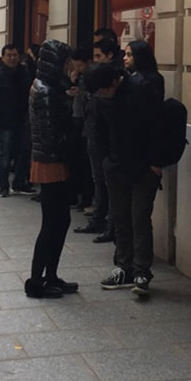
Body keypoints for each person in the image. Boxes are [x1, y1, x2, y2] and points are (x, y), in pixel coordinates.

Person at [87, 60, 164, 297]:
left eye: (104, 90)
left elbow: (158, 128)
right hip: (116, 166)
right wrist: (105, 163)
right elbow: (97, 132)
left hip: (144, 167)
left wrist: (155, 164)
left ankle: (142, 271)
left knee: (139, 217)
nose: (102, 95)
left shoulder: (141, 90)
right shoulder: (101, 99)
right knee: (120, 217)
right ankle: (124, 267)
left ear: (114, 81)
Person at [25, 39, 80, 299]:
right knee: (52, 223)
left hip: (51, 158)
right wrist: (73, 141)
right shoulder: (46, 91)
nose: (70, 65)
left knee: (59, 221)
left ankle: (50, 277)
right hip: (50, 161)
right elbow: (51, 134)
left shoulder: (48, 86)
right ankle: (37, 281)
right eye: (66, 60)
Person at [74, 34, 121, 240]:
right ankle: (100, 219)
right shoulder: (96, 75)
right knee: (99, 180)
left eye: (98, 55)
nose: (95, 59)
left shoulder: (112, 77)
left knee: (105, 181)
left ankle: (108, 224)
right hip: (93, 132)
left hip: (104, 137)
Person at [0, 44, 32, 196]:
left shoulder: (24, 73)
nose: (12, 58)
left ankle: (19, 182)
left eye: (15, 55)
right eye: (9, 56)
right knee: (5, 153)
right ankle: (3, 186)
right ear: (3, 57)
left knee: (24, 152)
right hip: (4, 121)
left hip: (22, 120)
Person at [68, 46, 94, 210]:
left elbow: (92, 97)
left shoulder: (93, 77)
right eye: (74, 65)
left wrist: (81, 92)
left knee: (86, 163)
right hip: (76, 118)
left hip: (86, 121)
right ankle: (80, 196)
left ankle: (87, 197)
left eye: (80, 66)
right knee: (78, 161)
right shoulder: (79, 76)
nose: (77, 69)